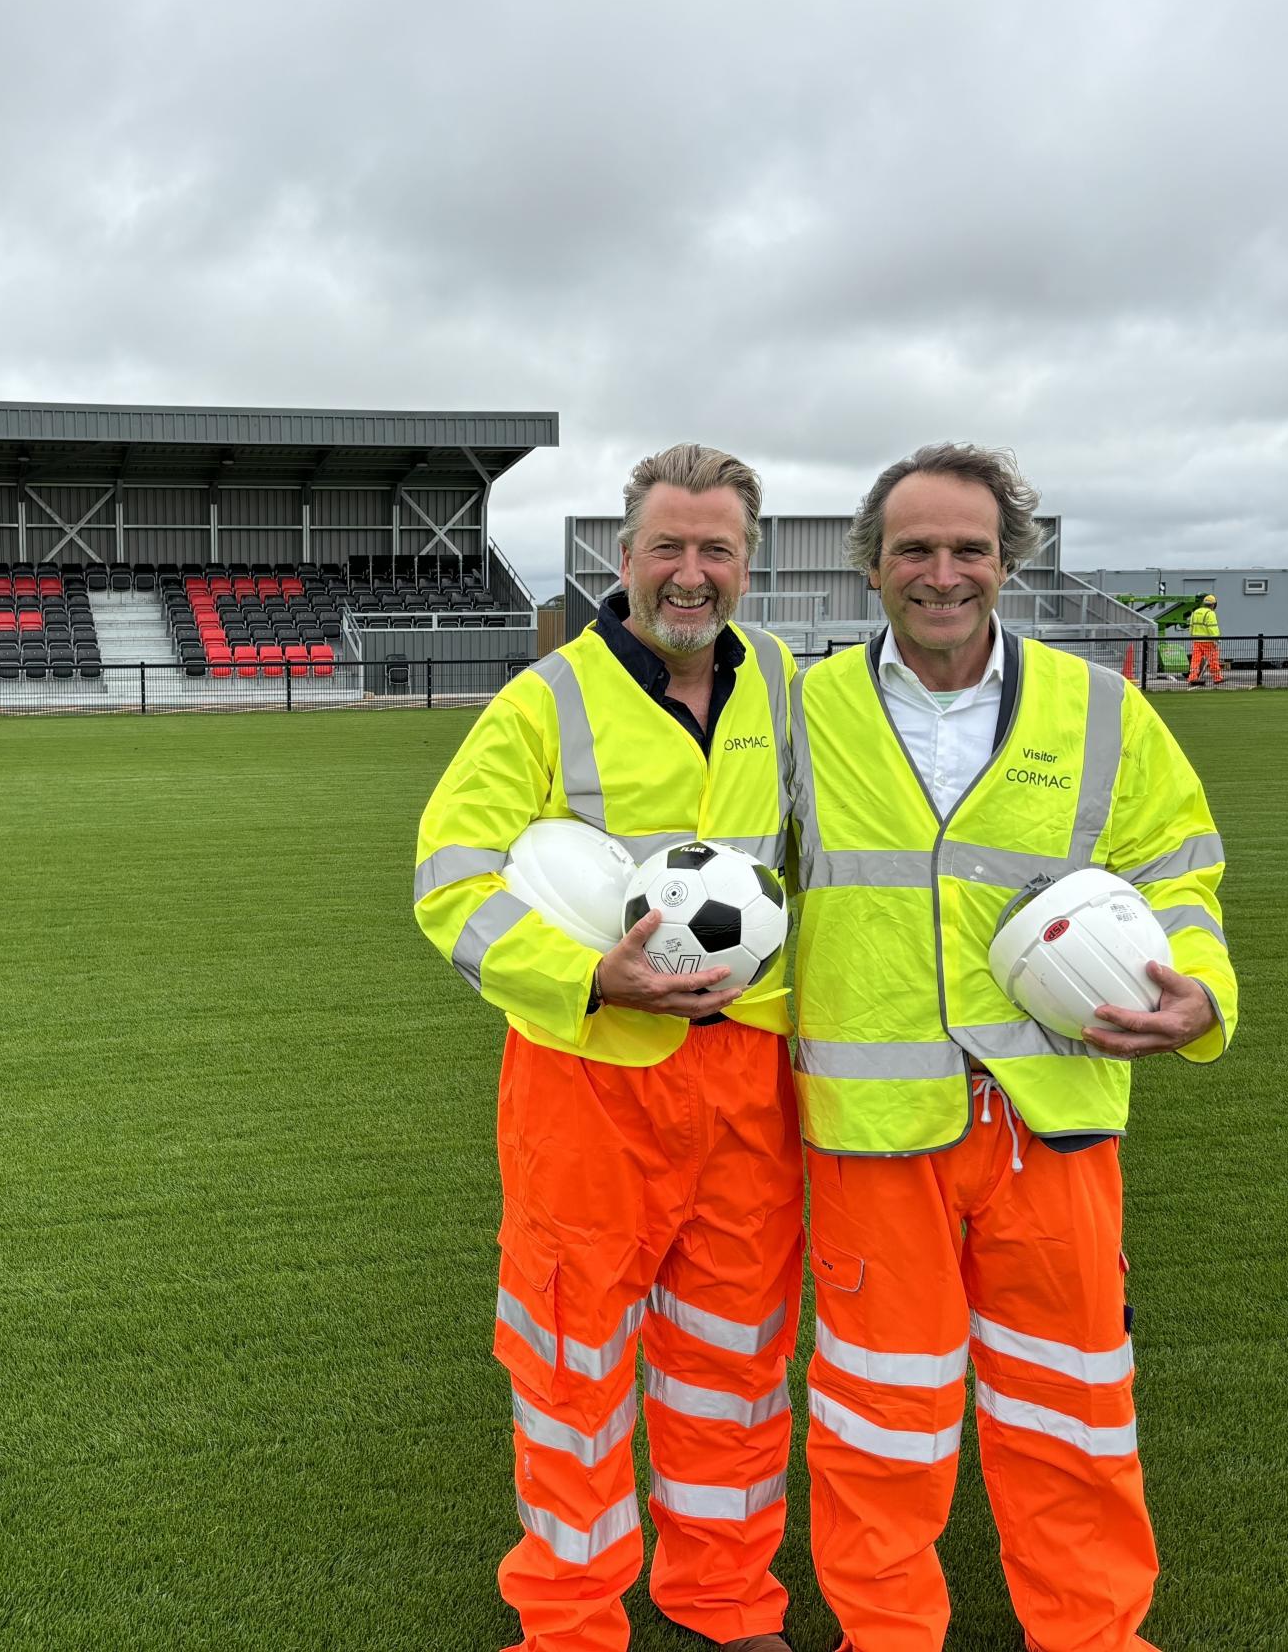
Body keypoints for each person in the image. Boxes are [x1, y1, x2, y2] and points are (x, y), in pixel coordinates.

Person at [785, 444, 1239, 1652]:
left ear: (1009, 561)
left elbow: (1178, 872)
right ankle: (887, 1636)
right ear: (872, 568)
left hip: (1055, 1114)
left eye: (969, 549)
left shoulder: (1102, 708)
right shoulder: (796, 707)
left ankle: (1092, 1635)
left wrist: (1205, 994)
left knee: (1075, 1406)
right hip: (877, 1128)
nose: (943, 573)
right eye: (915, 550)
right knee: (882, 1419)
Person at [414, 443, 805, 1652]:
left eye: (717, 550)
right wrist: (588, 970)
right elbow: (449, 878)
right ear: (623, 558)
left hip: (751, 1076)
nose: (692, 574)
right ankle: (572, 1623)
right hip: (589, 1081)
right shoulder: (546, 699)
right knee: (573, 1369)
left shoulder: (789, 683)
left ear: (749, 563)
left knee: (735, 1362)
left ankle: (727, 1602)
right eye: (668, 549)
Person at [1185, 593, 1223, 686]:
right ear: (1213, 604)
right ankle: (1217, 678)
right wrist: (1216, 639)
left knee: (1195, 660)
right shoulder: (1210, 613)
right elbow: (1212, 627)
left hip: (1196, 641)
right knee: (1213, 660)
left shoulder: (1195, 612)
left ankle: (1192, 677)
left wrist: (1193, 637)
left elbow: (1191, 627)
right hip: (1208, 641)